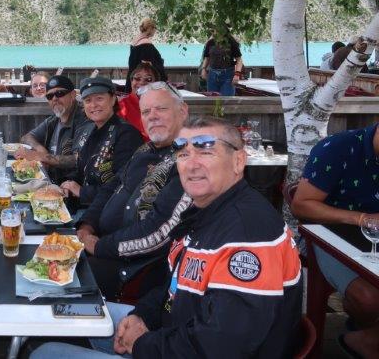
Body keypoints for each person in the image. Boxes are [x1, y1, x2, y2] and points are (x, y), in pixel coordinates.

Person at [32, 117, 302, 359]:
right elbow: (176, 284)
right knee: (57, 312)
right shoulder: (205, 212)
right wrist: (143, 315)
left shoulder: (248, 235)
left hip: (189, 348)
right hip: (173, 330)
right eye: (183, 153)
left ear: (238, 161)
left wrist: (143, 343)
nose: (191, 164)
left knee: (45, 353)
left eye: (206, 150)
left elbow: (222, 346)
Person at [76, 82, 190, 299]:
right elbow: (110, 188)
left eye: (161, 108)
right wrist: (87, 225)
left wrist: (98, 246)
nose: (152, 116)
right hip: (104, 247)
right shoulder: (144, 150)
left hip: (136, 270)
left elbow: (159, 232)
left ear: (183, 111)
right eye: (146, 111)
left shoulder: (189, 161)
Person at [291, 124, 379, 357]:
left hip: (374, 240)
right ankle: (364, 333)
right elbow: (301, 205)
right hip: (328, 237)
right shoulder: (338, 147)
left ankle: (368, 337)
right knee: (369, 299)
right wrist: (362, 219)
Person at [59, 77, 143, 206]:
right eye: (88, 100)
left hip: (105, 210)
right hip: (85, 204)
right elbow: (81, 169)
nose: (93, 105)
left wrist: (82, 191)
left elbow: (123, 185)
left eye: (99, 98)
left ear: (113, 99)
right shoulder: (91, 129)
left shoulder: (127, 134)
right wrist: (67, 183)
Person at [16, 75, 93, 184]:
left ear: (72, 95)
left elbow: (78, 159)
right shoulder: (54, 120)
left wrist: (42, 157)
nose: (54, 99)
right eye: (50, 96)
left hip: (69, 186)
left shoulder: (85, 120)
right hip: (48, 180)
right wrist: (40, 149)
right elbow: (26, 137)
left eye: (60, 93)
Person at [117, 62, 159, 141]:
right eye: (137, 78)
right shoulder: (121, 105)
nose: (142, 82)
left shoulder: (161, 105)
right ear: (131, 81)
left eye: (148, 79)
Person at [126, 18, 166, 92]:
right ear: (150, 28)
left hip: (133, 78)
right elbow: (148, 66)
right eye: (155, 28)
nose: (155, 31)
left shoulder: (135, 41)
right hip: (143, 84)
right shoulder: (146, 44)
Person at [200, 29, 244, 96]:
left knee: (227, 100)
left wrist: (237, 74)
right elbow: (207, 58)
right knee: (212, 100)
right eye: (214, 30)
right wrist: (203, 69)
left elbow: (239, 60)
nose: (215, 32)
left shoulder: (231, 42)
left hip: (228, 76)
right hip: (212, 75)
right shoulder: (210, 43)